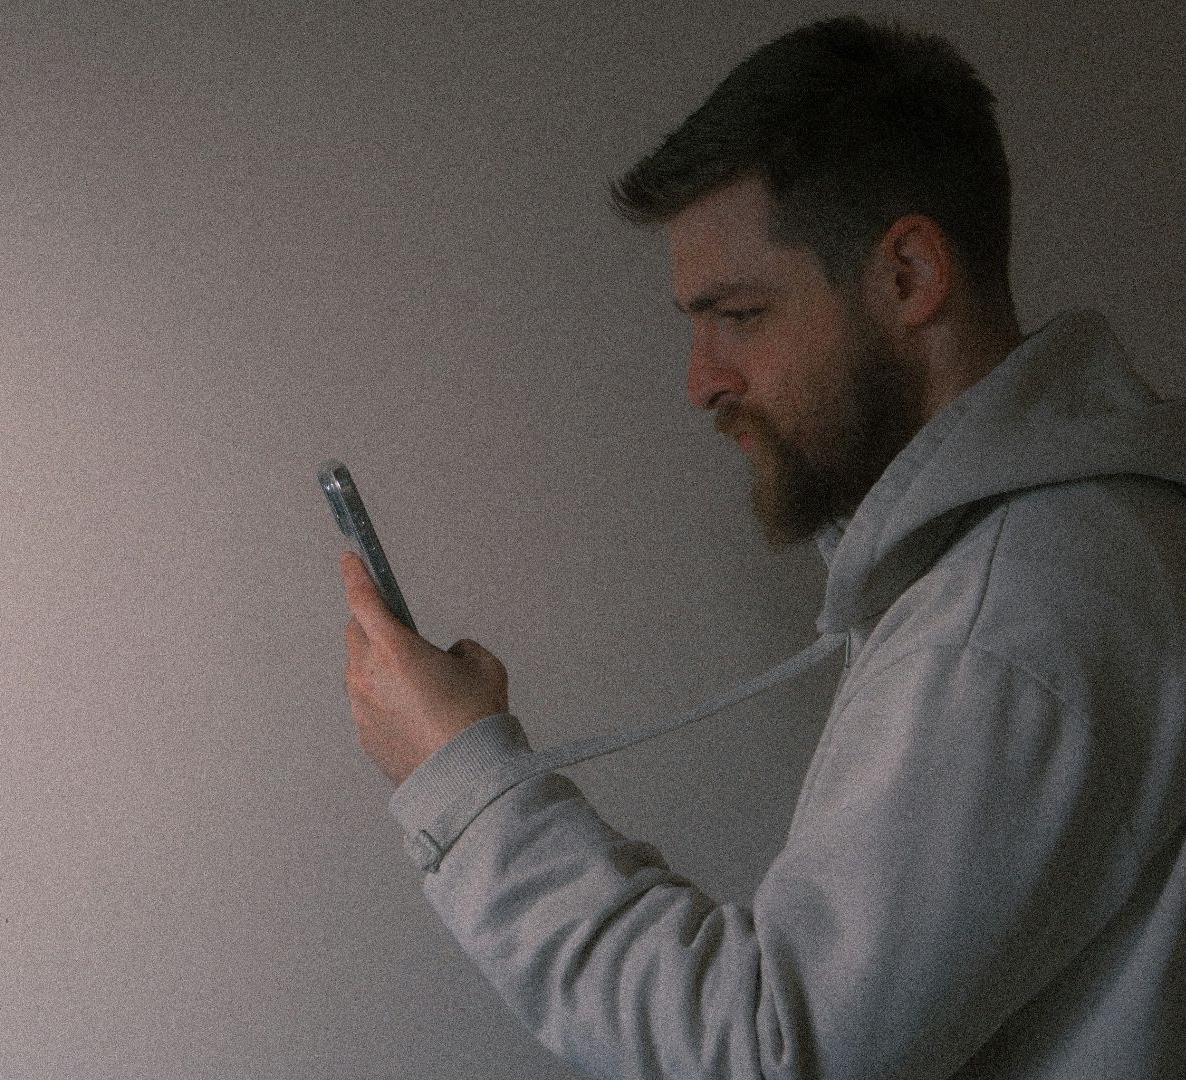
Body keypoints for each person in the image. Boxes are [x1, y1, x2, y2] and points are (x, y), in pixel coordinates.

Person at [338, 14, 1186, 1078]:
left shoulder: (1010, 613)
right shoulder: (1098, 538)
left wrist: (459, 782)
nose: (701, 381)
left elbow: (768, 1052)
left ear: (911, 276)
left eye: (738, 313)